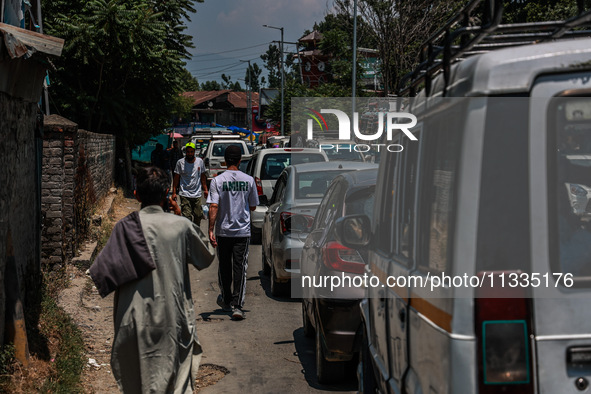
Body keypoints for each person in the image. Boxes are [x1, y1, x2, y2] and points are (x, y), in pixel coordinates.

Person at [89, 166, 214, 393]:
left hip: (133, 320)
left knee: (139, 383)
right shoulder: (181, 226)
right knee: (174, 382)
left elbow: (103, 274)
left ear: (136, 195)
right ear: (167, 193)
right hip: (173, 318)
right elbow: (205, 257)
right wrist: (180, 216)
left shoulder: (124, 228)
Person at [206, 145, 259, 320]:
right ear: (239, 160)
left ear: (225, 160)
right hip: (242, 232)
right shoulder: (249, 180)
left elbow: (213, 206)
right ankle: (237, 306)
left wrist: (210, 229)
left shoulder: (217, 181)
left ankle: (226, 300)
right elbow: (253, 206)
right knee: (240, 268)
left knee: (224, 266)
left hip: (223, 231)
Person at [173, 142, 208, 226]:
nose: (189, 154)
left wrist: (206, 189)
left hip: (197, 194)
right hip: (184, 193)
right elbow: (176, 179)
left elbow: (203, 177)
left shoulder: (200, 162)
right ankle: (188, 235)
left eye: (191, 152)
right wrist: (174, 192)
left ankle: (195, 233)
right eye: (188, 152)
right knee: (187, 216)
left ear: (194, 152)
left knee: (198, 215)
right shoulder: (180, 163)